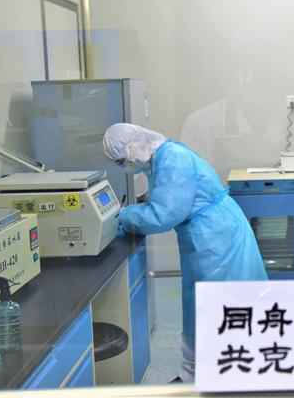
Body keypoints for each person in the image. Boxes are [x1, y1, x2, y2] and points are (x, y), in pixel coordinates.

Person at [103, 123, 268, 382]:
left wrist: (123, 216)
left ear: (133, 147)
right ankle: (198, 372)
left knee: (220, 304)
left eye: (122, 161)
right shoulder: (162, 157)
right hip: (208, 233)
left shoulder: (173, 159)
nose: (124, 167)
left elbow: (164, 214)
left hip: (216, 238)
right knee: (203, 305)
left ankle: (226, 372)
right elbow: (169, 196)